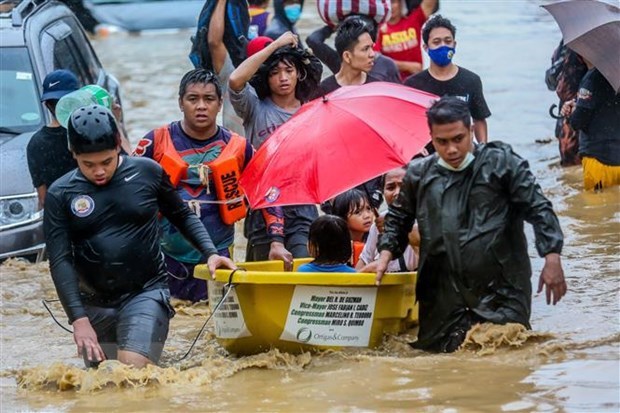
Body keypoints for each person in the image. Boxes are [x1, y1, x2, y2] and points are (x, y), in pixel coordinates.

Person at [44, 105, 235, 368]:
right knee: (103, 384)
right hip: (93, 303)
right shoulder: (60, 193)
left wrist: (211, 252)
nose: (99, 171)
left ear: (118, 146)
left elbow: (182, 215)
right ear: (73, 154)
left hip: (146, 291)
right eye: (88, 164)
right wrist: (78, 319)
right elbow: (60, 260)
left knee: (131, 370)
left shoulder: (147, 173)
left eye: (106, 162)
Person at [375, 96, 567, 353]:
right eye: (442, 142)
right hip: (441, 291)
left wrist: (552, 257)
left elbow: (538, 207)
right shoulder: (420, 175)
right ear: (431, 137)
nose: (451, 149)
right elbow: (399, 217)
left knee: (507, 356)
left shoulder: (502, 164)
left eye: (458, 139)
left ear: (471, 130)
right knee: (443, 365)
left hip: (502, 288)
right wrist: (385, 254)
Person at [133, 69, 281, 302]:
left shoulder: (239, 148)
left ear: (220, 104)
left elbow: (268, 191)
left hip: (220, 253)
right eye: (193, 99)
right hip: (165, 256)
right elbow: (128, 193)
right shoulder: (155, 142)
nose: (201, 106)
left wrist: (277, 241)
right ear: (181, 103)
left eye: (209, 99)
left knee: (213, 316)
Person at [229, 32, 322, 266]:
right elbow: (235, 81)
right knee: (263, 274)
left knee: (303, 266)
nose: (283, 78)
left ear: (299, 73)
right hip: (262, 203)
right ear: (265, 78)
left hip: (301, 205)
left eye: (289, 71)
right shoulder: (254, 108)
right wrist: (277, 45)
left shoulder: (311, 110)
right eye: (275, 73)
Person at [404, 15, 491, 143]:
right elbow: (406, 124)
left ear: (454, 45)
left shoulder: (471, 80)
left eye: (448, 41)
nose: (443, 46)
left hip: (463, 152)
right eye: (436, 42)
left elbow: (479, 119)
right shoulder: (413, 84)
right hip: (427, 154)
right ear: (426, 48)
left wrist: (483, 150)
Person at [27, 69, 80, 208]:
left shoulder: (36, 143)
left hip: (62, 216)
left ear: (47, 105)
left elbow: (43, 200)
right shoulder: (91, 129)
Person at [561, 67, 620, 191]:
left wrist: (572, 111)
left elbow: (578, 122)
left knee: (597, 207)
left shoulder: (592, 78)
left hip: (599, 160)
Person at [307, 14, 401, 84]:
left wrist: (333, 27)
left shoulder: (388, 66)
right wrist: (337, 27)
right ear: (347, 56)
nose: (371, 55)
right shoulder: (343, 60)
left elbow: (313, 40)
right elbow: (313, 41)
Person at [356, 167, 418, 273]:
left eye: (403, 186)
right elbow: (362, 264)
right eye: (390, 187)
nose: (397, 193)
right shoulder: (379, 223)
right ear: (383, 192)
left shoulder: (427, 218)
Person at [545, 40, 587, 167]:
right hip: (575, 119)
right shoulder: (577, 45)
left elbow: (555, 84)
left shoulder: (571, 42)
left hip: (574, 122)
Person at [374, 0, 437, 80]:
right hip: (390, 82)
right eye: (387, 3)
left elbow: (430, 3)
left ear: (401, 3)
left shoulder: (413, 20)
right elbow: (375, 59)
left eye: (393, 2)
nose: (390, 7)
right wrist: (408, 66)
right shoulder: (378, 29)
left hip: (416, 80)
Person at [319, 17, 379, 95]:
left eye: (372, 47)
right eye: (365, 49)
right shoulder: (325, 91)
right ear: (347, 56)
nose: (372, 54)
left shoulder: (376, 88)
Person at [330, 189, 373, 267]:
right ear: (342, 218)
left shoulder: (375, 239)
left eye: (368, 209)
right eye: (358, 212)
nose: (367, 216)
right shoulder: (334, 247)